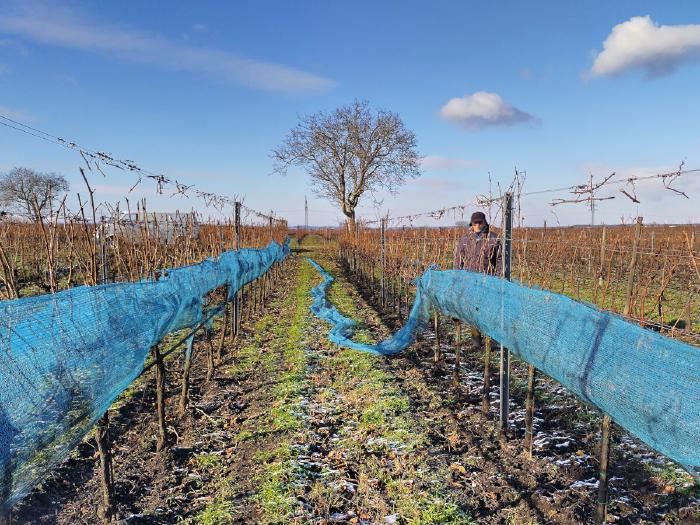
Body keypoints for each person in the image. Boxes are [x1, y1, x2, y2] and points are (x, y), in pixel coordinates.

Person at [453, 211, 502, 346]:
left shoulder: (494, 239)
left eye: (480, 222)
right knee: (474, 310)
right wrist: (458, 277)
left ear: (485, 223)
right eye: (476, 222)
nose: (478, 225)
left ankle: (493, 341)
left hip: (488, 281)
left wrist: (497, 278)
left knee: (490, 310)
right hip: (470, 281)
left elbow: (499, 260)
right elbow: (459, 260)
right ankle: (476, 341)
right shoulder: (464, 240)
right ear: (472, 223)